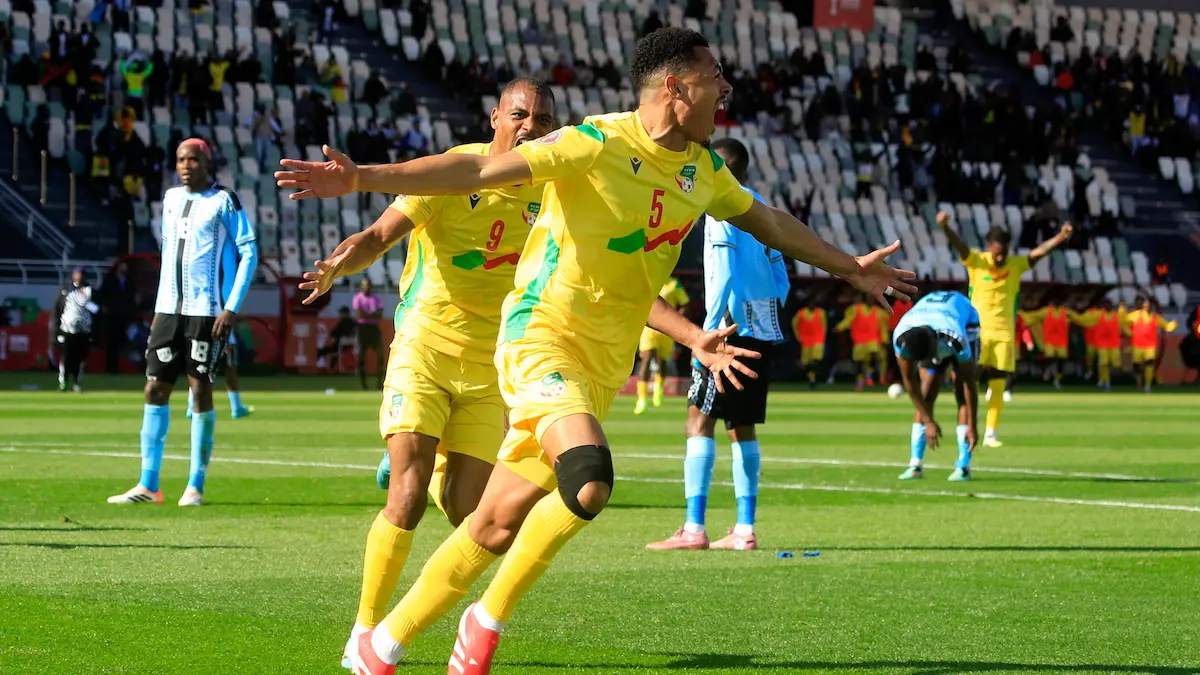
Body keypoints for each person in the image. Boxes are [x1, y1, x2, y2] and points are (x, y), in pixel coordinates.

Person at [276, 27, 914, 674]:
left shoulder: (704, 171)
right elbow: (475, 167)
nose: (725, 86)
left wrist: (849, 266)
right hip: (538, 337)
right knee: (590, 475)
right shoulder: (595, 140)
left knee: (495, 521)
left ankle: (381, 646)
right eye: (714, 75)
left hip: (600, 365)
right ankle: (485, 620)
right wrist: (362, 178)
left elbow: (770, 221)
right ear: (675, 87)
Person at [294, 79, 557, 670]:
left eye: (542, 119)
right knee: (406, 498)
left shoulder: (558, 189)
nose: (529, 127)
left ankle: (429, 455)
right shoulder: (452, 171)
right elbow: (380, 235)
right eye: (520, 114)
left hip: (492, 368)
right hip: (424, 349)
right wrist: (342, 262)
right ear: (496, 116)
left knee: (473, 517)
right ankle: (365, 631)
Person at [645, 137, 789, 552]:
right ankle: (744, 529)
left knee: (698, 420)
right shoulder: (762, 209)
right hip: (762, 326)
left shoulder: (722, 211)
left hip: (726, 331)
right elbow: (781, 274)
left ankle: (694, 528)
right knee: (741, 427)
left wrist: (704, 335)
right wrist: (766, 310)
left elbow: (723, 273)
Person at [107, 138, 258, 507]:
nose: (186, 165)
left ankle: (195, 485)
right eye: (180, 159)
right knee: (154, 389)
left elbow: (249, 252)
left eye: (193, 159)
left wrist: (231, 307)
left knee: (199, 390)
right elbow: (169, 253)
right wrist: (159, 306)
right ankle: (148, 485)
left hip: (206, 311)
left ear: (208, 162)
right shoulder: (171, 199)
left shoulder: (225, 201)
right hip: (168, 311)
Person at [938, 211, 1072, 447]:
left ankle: (990, 432)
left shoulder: (1016, 265)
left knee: (998, 382)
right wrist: (945, 228)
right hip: (977, 332)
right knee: (971, 381)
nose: (1001, 258)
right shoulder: (977, 261)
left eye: (1005, 252)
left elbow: (1039, 252)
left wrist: (1060, 237)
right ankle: (968, 425)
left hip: (1004, 334)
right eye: (998, 253)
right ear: (990, 247)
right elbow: (959, 246)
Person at [893, 290, 980, 481]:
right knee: (926, 392)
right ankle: (915, 464)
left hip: (966, 323)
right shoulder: (901, 337)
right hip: (932, 321)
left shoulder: (955, 338)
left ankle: (964, 464)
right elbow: (910, 383)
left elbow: (969, 386)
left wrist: (973, 426)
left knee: (960, 391)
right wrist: (928, 420)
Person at [633, 277, 690, 414]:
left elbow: (685, 303)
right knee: (647, 358)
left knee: (662, 361)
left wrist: (676, 318)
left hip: (666, 329)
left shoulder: (674, 285)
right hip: (649, 328)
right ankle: (642, 398)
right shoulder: (649, 279)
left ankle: (658, 388)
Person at [187, 330, 253, 419]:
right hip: (224, 338)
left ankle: (191, 407)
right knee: (230, 371)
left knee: (199, 371)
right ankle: (236, 407)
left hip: (202, 337)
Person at [53, 267, 100, 393]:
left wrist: (94, 332)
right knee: (66, 358)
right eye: (77, 274)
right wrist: (56, 331)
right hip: (67, 330)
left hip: (84, 331)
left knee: (80, 359)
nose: (79, 276)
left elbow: (97, 311)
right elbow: (57, 311)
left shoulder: (90, 291)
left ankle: (77, 383)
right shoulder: (66, 291)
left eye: (82, 274)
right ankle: (63, 383)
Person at [1122, 296, 1178, 393]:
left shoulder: (1156, 318)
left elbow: (1167, 327)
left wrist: (1173, 324)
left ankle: (1147, 385)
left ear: (1151, 307)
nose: (1147, 307)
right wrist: (1128, 332)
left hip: (1150, 346)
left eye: (1149, 306)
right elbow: (1125, 322)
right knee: (1137, 365)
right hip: (1137, 345)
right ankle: (1139, 380)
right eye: (1145, 306)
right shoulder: (1135, 315)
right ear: (1143, 307)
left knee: (1149, 364)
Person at [1019, 302, 1081, 390]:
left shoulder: (1066, 312)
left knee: (1061, 362)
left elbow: (1078, 318)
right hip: (1050, 341)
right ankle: (1048, 371)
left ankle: (1056, 379)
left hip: (1062, 342)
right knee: (1050, 358)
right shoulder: (1046, 311)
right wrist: (1021, 314)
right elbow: (1034, 316)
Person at [835, 294, 888, 390]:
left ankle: (870, 373)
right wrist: (839, 328)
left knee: (874, 353)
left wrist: (884, 339)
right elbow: (848, 321)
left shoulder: (879, 312)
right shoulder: (855, 309)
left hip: (873, 340)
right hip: (859, 341)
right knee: (859, 362)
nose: (870, 300)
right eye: (868, 298)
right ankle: (860, 380)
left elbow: (883, 328)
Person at [1072, 299, 1122, 391]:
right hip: (1101, 343)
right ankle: (1105, 381)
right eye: (1105, 305)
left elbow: (1125, 321)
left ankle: (1103, 378)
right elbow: (1083, 319)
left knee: (1115, 364)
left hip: (1114, 343)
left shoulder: (1116, 315)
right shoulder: (1096, 315)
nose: (1107, 307)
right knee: (1103, 362)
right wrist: (1072, 316)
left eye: (1109, 304)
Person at [100, 260, 138, 374]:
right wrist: (106, 308)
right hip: (113, 317)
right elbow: (102, 295)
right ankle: (110, 368)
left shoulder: (130, 282)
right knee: (112, 343)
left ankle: (124, 367)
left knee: (124, 343)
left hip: (125, 317)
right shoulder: (110, 281)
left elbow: (132, 298)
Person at [353, 278, 386, 390]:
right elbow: (359, 314)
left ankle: (379, 383)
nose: (367, 287)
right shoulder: (358, 298)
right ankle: (364, 384)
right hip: (363, 328)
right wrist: (372, 315)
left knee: (380, 355)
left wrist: (366, 315)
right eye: (365, 285)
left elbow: (380, 314)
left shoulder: (375, 299)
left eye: (369, 285)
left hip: (373, 328)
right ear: (362, 286)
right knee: (362, 356)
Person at [792, 296, 827, 388]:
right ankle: (812, 379)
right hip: (806, 341)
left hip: (818, 340)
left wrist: (823, 337)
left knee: (816, 360)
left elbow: (824, 325)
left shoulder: (821, 313)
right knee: (807, 363)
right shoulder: (801, 313)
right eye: (810, 303)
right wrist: (798, 337)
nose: (812, 305)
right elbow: (794, 325)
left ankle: (815, 376)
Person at [317, 305, 357, 370]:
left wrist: (335, 335)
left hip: (341, 346)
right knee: (333, 351)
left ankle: (325, 368)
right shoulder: (353, 322)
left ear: (345, 314)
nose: (340, 315)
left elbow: (334, 333)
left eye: (341, 313)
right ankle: (331, 368)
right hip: (348, 346)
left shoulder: (343, 323)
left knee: (321, 351)